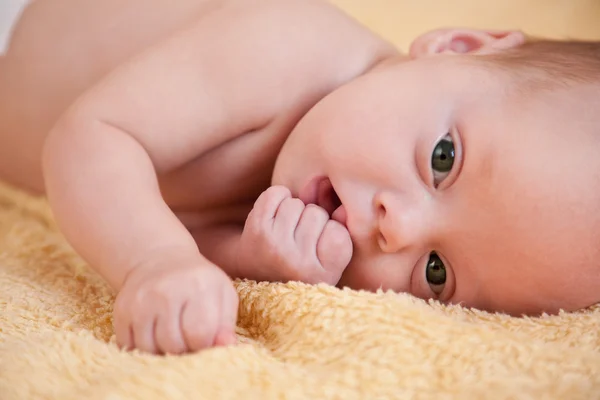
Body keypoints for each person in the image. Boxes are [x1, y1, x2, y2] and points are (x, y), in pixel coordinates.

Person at [1, 0, 599, 355]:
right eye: (443, 160)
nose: (399, 228)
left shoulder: (314, 184)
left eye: (435, 272)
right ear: (457, 46)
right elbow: (90, 137)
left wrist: (245, 257)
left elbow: (171, 217)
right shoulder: (289, 48)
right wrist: (151, 262)